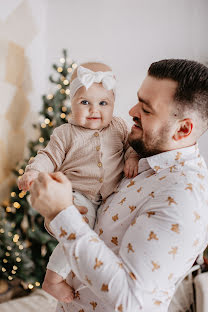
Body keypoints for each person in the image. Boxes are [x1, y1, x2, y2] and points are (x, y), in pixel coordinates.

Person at [30, 59, 208, 312]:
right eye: (138, 100)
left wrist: (63, 215)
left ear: (183, 129)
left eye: (146, 110)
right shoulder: (140, 154)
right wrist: (61, 212)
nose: (131, 111)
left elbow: (132, 302)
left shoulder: (183, 198)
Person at [18, 62, 139, 303]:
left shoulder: (119, 127)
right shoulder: (65, 133)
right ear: (71, 103)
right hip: (74, 194)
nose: (94, 109)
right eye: (85, 102)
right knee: (81, 221)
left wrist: (133, 157)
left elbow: (130, 147)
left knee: (97, 235)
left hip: (106, 199)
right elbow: (48, 157)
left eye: (103, 103)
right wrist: (33, 172)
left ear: (113, 104)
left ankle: (78, 274)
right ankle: (53, 279)